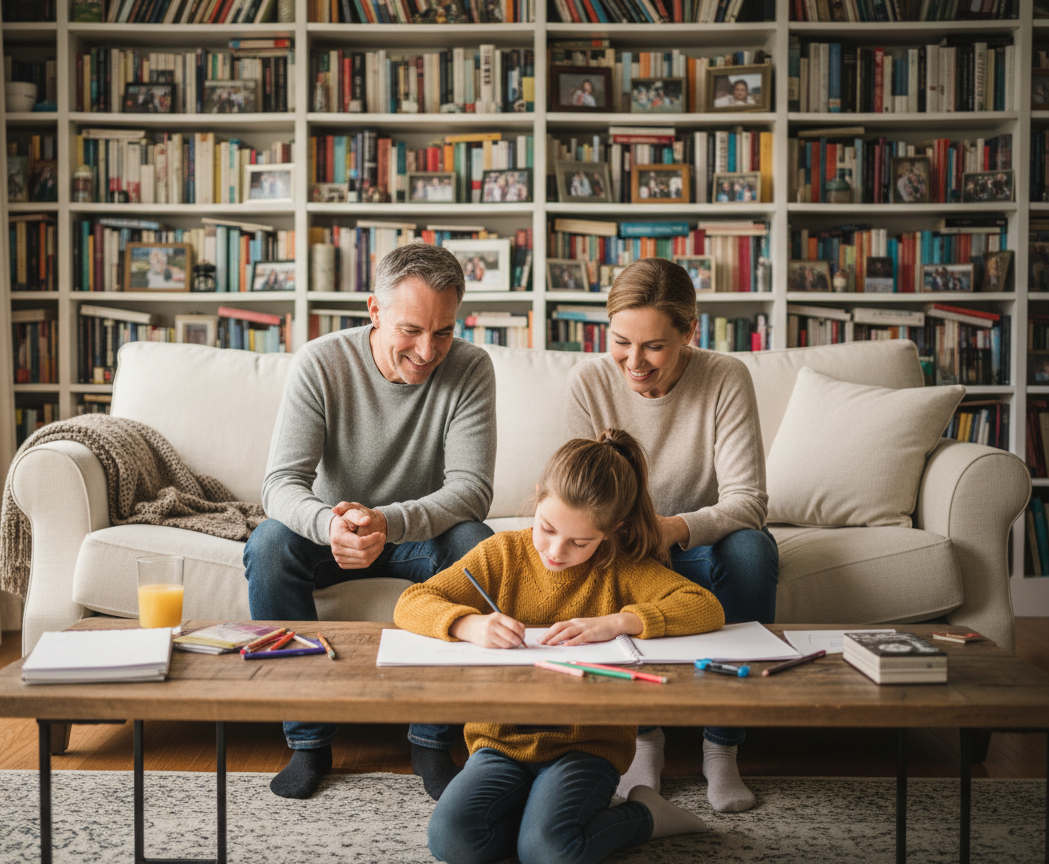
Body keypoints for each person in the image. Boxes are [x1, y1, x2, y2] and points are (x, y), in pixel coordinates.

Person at [396, 429, 723, 864]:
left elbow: (705, 606)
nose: (555, 550)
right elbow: (411, 602)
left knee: (550, 852)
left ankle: (645, 813)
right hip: (501, 740)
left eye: (579, 542)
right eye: (547, 529)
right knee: (452, 841)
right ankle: (539, 817)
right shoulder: (502, 554)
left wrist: (618, 622)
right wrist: (467, 624)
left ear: (611, 532)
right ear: (536, 500)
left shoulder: (620, 567)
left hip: (587, 743)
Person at [245, 242, 498, 800]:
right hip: (331, 534)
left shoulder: (472, 367)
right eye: (411, 329)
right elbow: (280, 485)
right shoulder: (321, 361)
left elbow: (472, 491)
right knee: (268, 546)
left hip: (417, 535)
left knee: (477, 544)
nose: (428, 350)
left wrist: (387, 520)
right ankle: (308, 742)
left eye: (444, 332)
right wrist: (327, 525)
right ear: (374, 310)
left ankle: (433, 740)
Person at [562, 257, 778, 814]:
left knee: (755, 550)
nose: (634, 362)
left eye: (654, 346)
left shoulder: (724, 376)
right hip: (625, 542)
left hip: (700, 540)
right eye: (621, 342)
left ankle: (721, 748)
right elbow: (578, 495)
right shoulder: (589, 382)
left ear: (689, 332)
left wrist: (675, 529)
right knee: (601, 559)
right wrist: (633, 534)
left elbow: (748, 501)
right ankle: (644, 741)